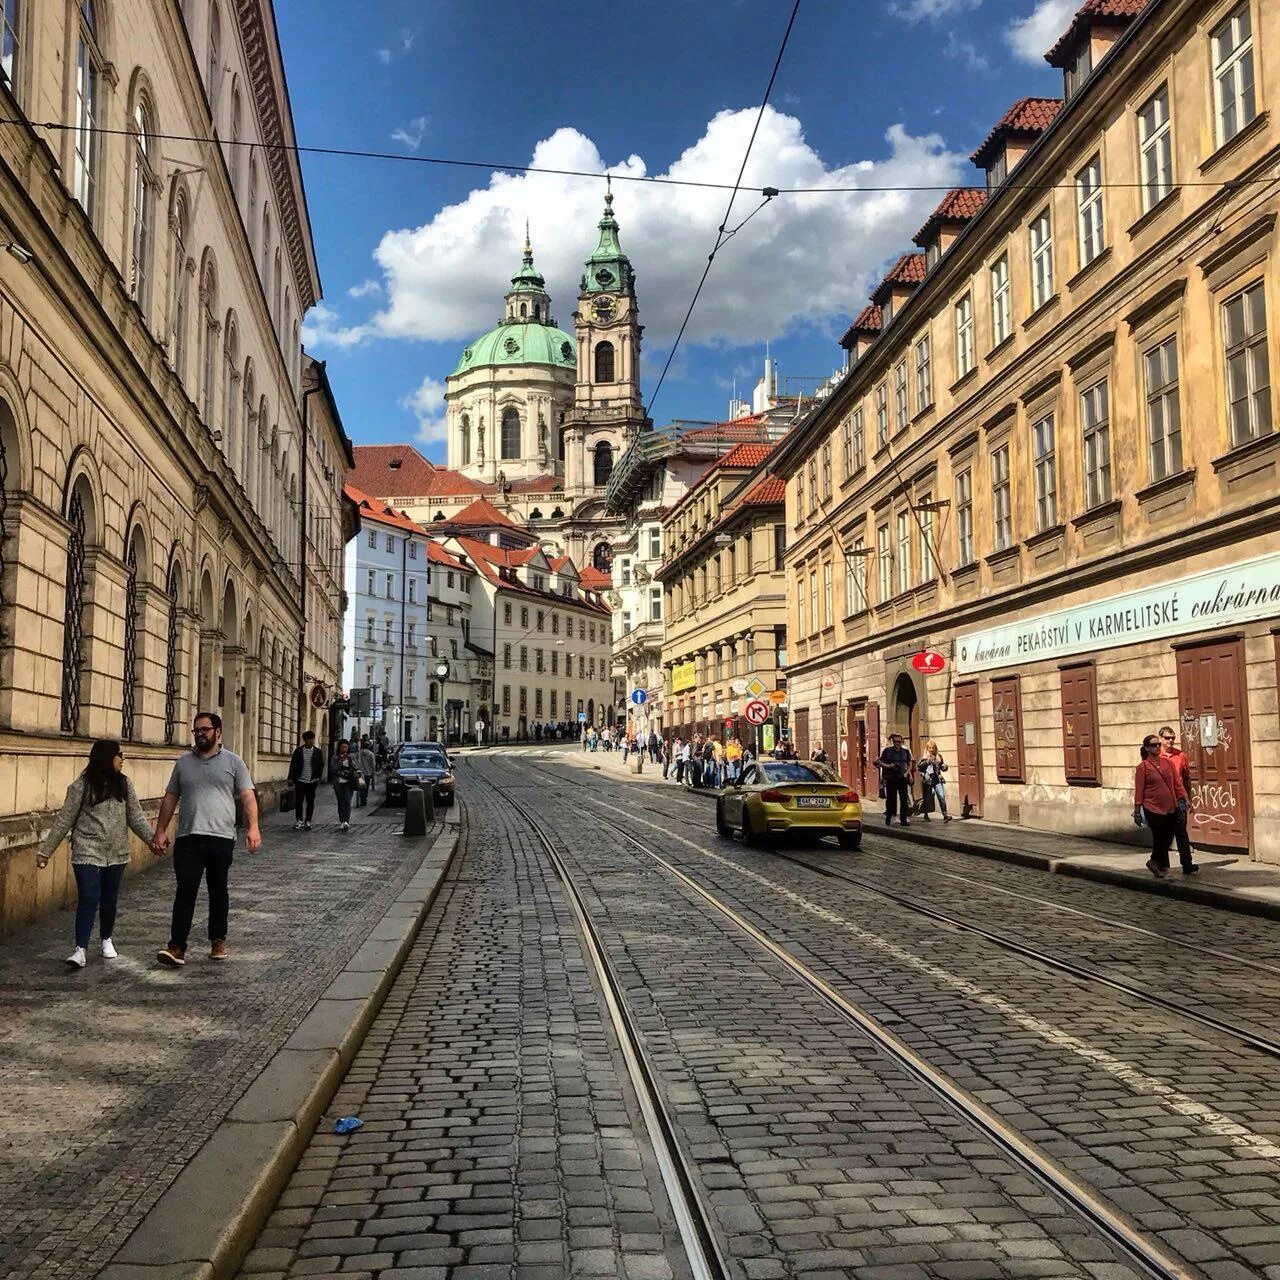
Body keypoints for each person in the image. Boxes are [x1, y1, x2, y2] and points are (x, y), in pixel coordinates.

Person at [38, 739, 159, 969]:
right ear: (106, 757)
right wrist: (45, 851)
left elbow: (136, 817)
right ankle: (80, 949)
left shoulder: (124, 784)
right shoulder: (81, 786)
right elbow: (64, 820)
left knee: (109, 899)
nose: (123, 759)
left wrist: (153, 841)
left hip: (117, 853)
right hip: (87, 851)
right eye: (119, 754)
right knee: (89, 897)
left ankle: (106, 939)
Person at [153, 711, 260, 968]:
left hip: (221, 837)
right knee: (185, 890)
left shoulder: (234, 762)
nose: (200, 734)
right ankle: (177, 947)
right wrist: (160, 830)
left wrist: (253, 827)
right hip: (189, 836)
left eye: (205, 729)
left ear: (218, 731)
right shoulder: (183, 763)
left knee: (217, 890)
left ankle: (218, 940)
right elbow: (170, 798)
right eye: (196, 730)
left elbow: (247, 796)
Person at [1134, 733, 1191, 877]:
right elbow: (1139, 789)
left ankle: (1158, 863)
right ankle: (1156, 863)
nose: (1157, 747)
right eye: (1154, 745)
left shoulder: (1168, 763)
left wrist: (1185, 798)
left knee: (1168, 836)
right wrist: (1137, 810)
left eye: (1158, 744)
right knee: (1160, 837)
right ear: (1147, 748)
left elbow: (1177, 784)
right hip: (1152, 807)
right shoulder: (1143, 767)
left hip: (1170, 806)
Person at [1159, 725, 1196, 874]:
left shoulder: (1180, 756)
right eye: (1167, 738)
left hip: (1179, 798)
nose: (1170, 741)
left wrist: (1189, 798)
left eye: (1173, 738)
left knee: (1181, 832)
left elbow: (1186, 778)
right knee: (1163, 833)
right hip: (1162, 800)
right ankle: (1162, 864)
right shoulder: (1156, 757)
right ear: (1161, 739)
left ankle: (1187, 864)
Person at [287, 730, 324, 829]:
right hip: (300, 780)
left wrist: (318, 778)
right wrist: (290, 777)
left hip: (312, 781)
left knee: (310, 801)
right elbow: (293, 765)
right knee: (299, 801)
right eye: (309, 739)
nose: (311, 741)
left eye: (312, 739)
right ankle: (299, 820)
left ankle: (308, 821)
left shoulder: (317, 752)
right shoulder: (299, 751)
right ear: (305, 740)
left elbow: (321, 765)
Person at [876, 732, 914, 826]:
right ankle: (889, 815)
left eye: (899, 742)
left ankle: (903, 819)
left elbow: (910, 763)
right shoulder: (887, 751)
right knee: (891, 800)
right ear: (893, 741)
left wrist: (908, 773)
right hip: (891, 779)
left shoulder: (905, 752)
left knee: (904, 800)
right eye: (896, 741)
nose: (897, 743)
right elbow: (879, 762)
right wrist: (889, 766)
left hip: (902, 778)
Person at [917, 740, 952, 823]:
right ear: (927, 748)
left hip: (937, 779)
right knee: (927, 798)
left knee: (941, 796)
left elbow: (942, 767)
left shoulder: (938, 756)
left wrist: (944, 767)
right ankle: (926, 815)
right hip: (927, 779)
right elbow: (919, 767)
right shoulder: (924, 757)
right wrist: (927, 761)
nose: (931, 750)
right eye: (929, 748)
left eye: (933, 748)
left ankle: (945, 815)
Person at [330, 739, 361, 832]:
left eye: (346, 747)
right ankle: (342, 821)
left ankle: (347, 821)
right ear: (339, 748)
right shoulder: (335, 758)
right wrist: (340, 761)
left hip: (349, 783)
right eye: (342, 747)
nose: (344, 749)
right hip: (338, 783)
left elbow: (356, 767)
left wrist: (350, 760)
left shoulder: (351, 757)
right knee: (341, 802)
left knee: (347, 801)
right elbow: (333, 769)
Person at [357, 737, 377, 808]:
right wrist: (373, 772)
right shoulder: (371, 754)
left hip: (360, 773)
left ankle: (362, 799)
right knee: (366, 787)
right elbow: (373, 764)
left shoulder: (360, 753)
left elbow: (357, 762)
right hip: (368, 773)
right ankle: (364, 799)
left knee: (361, 786)